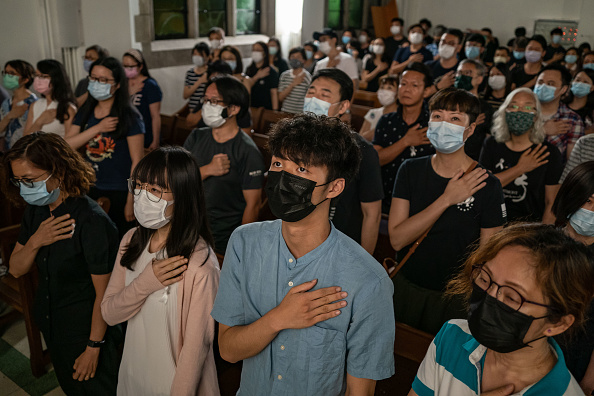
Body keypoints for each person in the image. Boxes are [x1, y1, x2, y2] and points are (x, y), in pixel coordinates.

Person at [211, 112, 395, 396]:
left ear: (334, 187)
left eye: (301, 170)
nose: (283, 178)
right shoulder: (245, 243)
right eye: (278, 164)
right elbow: (228, 350)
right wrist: (279, 319)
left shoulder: (368, 280)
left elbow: (359, 392)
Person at [409, 223, 593, 396]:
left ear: (558, 323)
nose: (490, 297)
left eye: (513, 297)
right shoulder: (451, 336)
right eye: (485, 279)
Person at [3, 132, 120, 395]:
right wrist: (36, 241)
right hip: (51, 320)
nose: (24, 188)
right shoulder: (36, 211)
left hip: (85, 329)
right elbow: (16, 268)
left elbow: (105, 294)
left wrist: (93, 346)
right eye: (19, 181)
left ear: (58, 171)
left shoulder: (92, 222)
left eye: (30, 180)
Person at [101, 147, 220, 396]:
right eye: (139, 186)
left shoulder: (200, 264)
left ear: (184, 196)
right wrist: (146, 282)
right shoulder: (131, 240)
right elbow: (110, 314)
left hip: (174, 384)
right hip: (133, 373)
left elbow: (195, 351)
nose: (141, 197)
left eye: (155, 190)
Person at [389, 87, 506, 335]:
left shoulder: (487, 183)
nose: (444, 124)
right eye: (438, 116)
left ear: (470, 129)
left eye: (455, 119)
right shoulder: (410, 170)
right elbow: (398, 239)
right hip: (408, 285)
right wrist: (447, 199)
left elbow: (488, 255)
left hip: (454, 297)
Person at [304, 68, 383, 254]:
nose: (314, 100)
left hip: (341, 246)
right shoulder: (293, 142)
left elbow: (372, 214)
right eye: (311, 92)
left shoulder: (362, 151)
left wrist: (364, 263)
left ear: (343, 106)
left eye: (324, 95)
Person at [183, 76, 264, 254]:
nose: (207, 106)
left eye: (214, 101)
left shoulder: (247, 151)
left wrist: (241, 246)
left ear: (233, 108)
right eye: (205, 100)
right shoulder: (196, 136)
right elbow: (176, 178)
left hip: (222, 237)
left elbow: (253, 205)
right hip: (189, 228)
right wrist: (207, 170)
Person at [65, 56, 145, 237]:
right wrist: (98, 128)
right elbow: (66, 145)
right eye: (93, 78)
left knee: (118, 240)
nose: (96, 83)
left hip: (119, 190)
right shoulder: (86, 111)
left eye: (103, 80)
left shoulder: (129, 117)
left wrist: (131, 200)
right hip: (89, 186)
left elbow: (138, 162)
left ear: (117, 84)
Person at [479, 88, 562, 223]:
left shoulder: (549, 152)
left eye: (528, 107)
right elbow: (484, 186)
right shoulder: (492, 144)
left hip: (530, 228)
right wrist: (520, 168)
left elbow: (551, 203)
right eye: (514, 106)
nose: (519, 111)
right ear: (505, 112)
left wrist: (544, 238)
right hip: (491, 223)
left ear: (536, 116)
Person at [552, 161, 594, 395]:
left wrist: (587, 386)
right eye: (587, 200)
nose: (591, 210)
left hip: (575, 365)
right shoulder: (541, 244)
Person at [373, 63, 434, 214]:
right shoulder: (386, 120)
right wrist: (406, 141)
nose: (406, 89)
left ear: (426, 91)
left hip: (422, 202)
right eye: (403, 84)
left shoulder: (434, 124)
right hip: (385, 197)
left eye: (414, 85)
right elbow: (376, 159)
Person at [535, 64, 584, 162]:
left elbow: (572, 162)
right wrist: (541, 130)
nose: (543, 87)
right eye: (540, 82)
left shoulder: (572, 119)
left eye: (550, 84)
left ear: (563, 89)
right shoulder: (522, 110)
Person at [23, 59, 76, 138]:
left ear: (56, 79)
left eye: (44, 76)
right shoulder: (35, 105)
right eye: (37, 75)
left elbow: (70, 143)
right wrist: (39, 122)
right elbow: (24, 139)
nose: (38, 80)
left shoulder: (68, 108)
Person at [454, 59, 494, 161]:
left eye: (468, 73)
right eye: (459, 72)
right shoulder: (445, 105)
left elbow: (489, 143)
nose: (462, 76)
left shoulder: (486, 109)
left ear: (479, 79)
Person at [123, 49, 162, 150]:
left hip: (144, 133)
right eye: (125, 66)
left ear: (140, 66)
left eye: (131, 66)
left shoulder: (150, 85)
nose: (127, 69)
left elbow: (155, 116)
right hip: (125, 133)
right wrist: (129, 93)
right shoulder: (123, 84)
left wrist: (155, 140)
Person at [0, 59, 37, 150]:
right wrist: (9, 116)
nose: (7, 76)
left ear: (25, 79)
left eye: (12, 74)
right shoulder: (6, 103)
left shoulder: (34, 103)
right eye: (5, 73)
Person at [424, 28, 464, 96]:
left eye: (451, 43)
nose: (446, 45)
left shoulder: (462, 70)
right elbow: (420, 93)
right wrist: (439, 86)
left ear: (459, 48)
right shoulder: (427, 66)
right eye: (443, 42)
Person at [359, 75, 398, 141]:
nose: (384, 91)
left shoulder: (400, 115)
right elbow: (360, 139)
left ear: (398, 92)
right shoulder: (373, 113)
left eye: (389, 88)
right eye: (382, 87)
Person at [245, 41, 279, 110]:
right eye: (253, 50)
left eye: (258, 50)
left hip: (266, 109)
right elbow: (245, 88)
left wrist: (275, 111)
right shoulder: (249, 69)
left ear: (264, 53)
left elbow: (274, 93)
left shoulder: (271, 72)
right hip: (251, 107)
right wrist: (257, 77)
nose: (255, 52)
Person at [278, 47, 312, 114]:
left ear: (303, 60)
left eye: (298, 57)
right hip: (285, 112)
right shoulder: (284, 75)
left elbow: (310, 99)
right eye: (292, 56)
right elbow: (280, 97)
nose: (295, 59)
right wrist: (293, 84)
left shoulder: (307, 77)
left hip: (300, 115)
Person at [183, 42, 210, 112]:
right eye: (195, 54)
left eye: (200, 55)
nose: (197, 57)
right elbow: (185, 95)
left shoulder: (210, 73)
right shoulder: (190, 73)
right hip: (192, 111)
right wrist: (200, 81)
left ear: (207, 56)